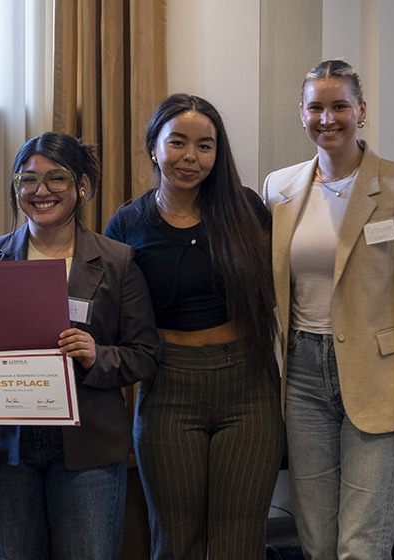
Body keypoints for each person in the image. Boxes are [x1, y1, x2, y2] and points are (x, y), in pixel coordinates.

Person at [261, 59, 394, 559]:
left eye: (340, 106)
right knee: (316, 537)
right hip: (301, 376)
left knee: (362, 541)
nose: (328, 118)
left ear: (360, 111)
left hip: (377, 377)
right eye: (316, 107)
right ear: (301, 113)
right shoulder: (279, 188)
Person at [0, 132, 158, 560]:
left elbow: (145, 354)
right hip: (8, 450)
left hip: (89, 450)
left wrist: (96, 354)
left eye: (55, 179)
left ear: (81, 185)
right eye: (27, 180)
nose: (40, 191)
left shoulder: (118, 261)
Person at [105, 93, 283, 559]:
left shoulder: (247, 209)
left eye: (205, 146)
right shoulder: (127, 224)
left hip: (248, 385)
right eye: (178, 142)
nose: (191, 157)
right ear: (154, 146)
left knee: (239, 542)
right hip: (168, 385)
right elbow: (109, 314)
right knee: (175, 540)